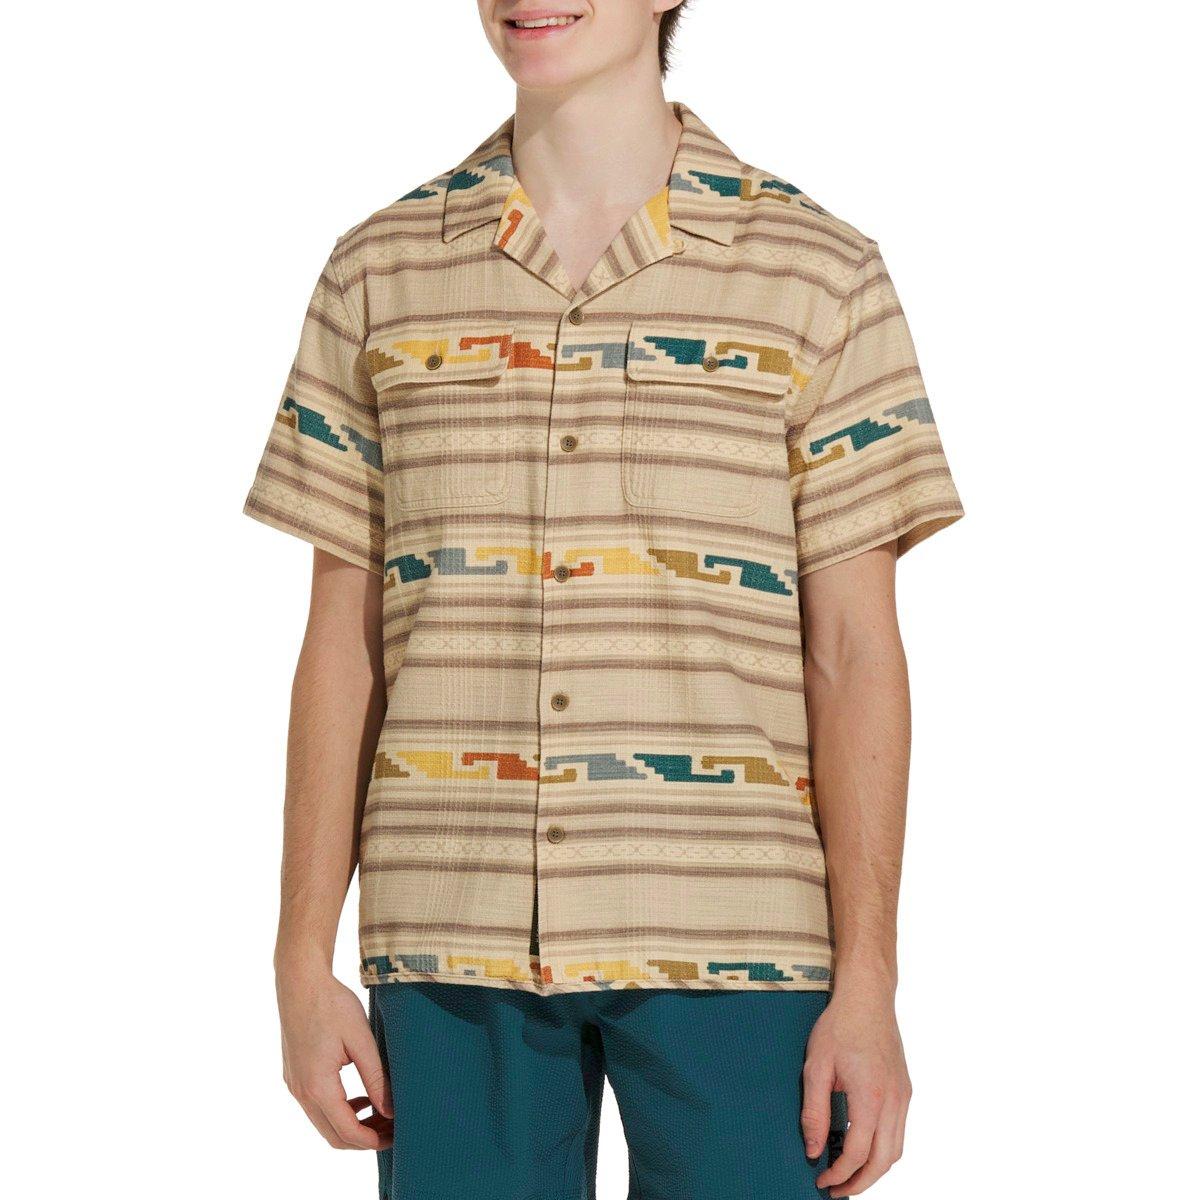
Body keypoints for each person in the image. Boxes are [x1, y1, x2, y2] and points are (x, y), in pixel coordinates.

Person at [242, 2, 963, 1197]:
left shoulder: (819, 274)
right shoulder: (380, 270)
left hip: (740, 943)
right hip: (450, 938)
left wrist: (871, 982)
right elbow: (341, 645)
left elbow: (853, 654)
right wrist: (297, 961)